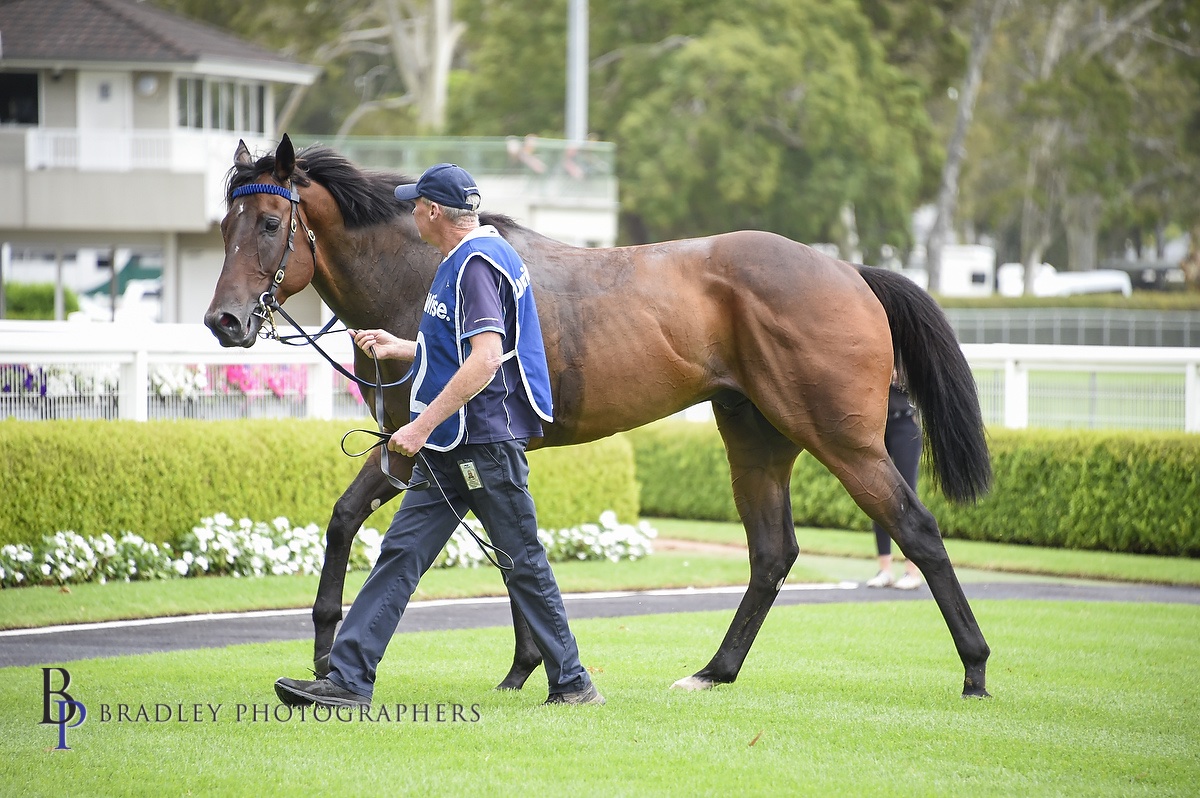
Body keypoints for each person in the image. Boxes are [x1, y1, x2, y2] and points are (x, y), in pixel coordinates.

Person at [275, 163, 603, 707]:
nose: (409, 214)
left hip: (480, 442)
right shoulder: (476, 254)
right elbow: (461, 345)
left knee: (522, 560)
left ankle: (572, 683)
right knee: (400, 554)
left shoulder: (474, 264)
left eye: (415, 205)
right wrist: (404, 347)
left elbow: (486, 360)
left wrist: (418, 425)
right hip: (452, 444)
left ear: (432, 212)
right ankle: (349, 680)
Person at [865, 376, 924, 590]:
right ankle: (885, 569)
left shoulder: (904, 352)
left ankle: (912, 570)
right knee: (879, 494)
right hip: (878, 425)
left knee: (906, 495)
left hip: (905, 424)